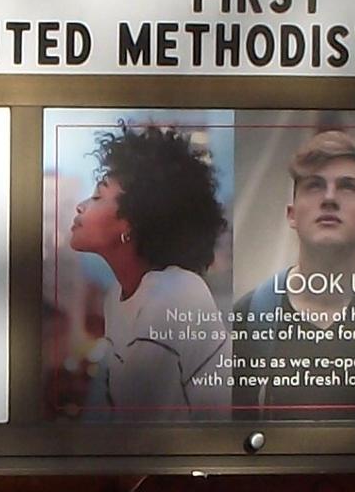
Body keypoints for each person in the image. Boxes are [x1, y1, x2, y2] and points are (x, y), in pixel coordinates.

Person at [232, 121, 355, 415]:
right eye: (314, 186)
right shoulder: (249, 317)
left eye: (348, 187)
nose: (329, 198)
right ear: (292, 214)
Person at [66, 124, 233, 421]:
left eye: (96, 197)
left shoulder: (173, 295)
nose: (80, 206)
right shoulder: (118, 296)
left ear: (131, 222)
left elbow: (142, 437)